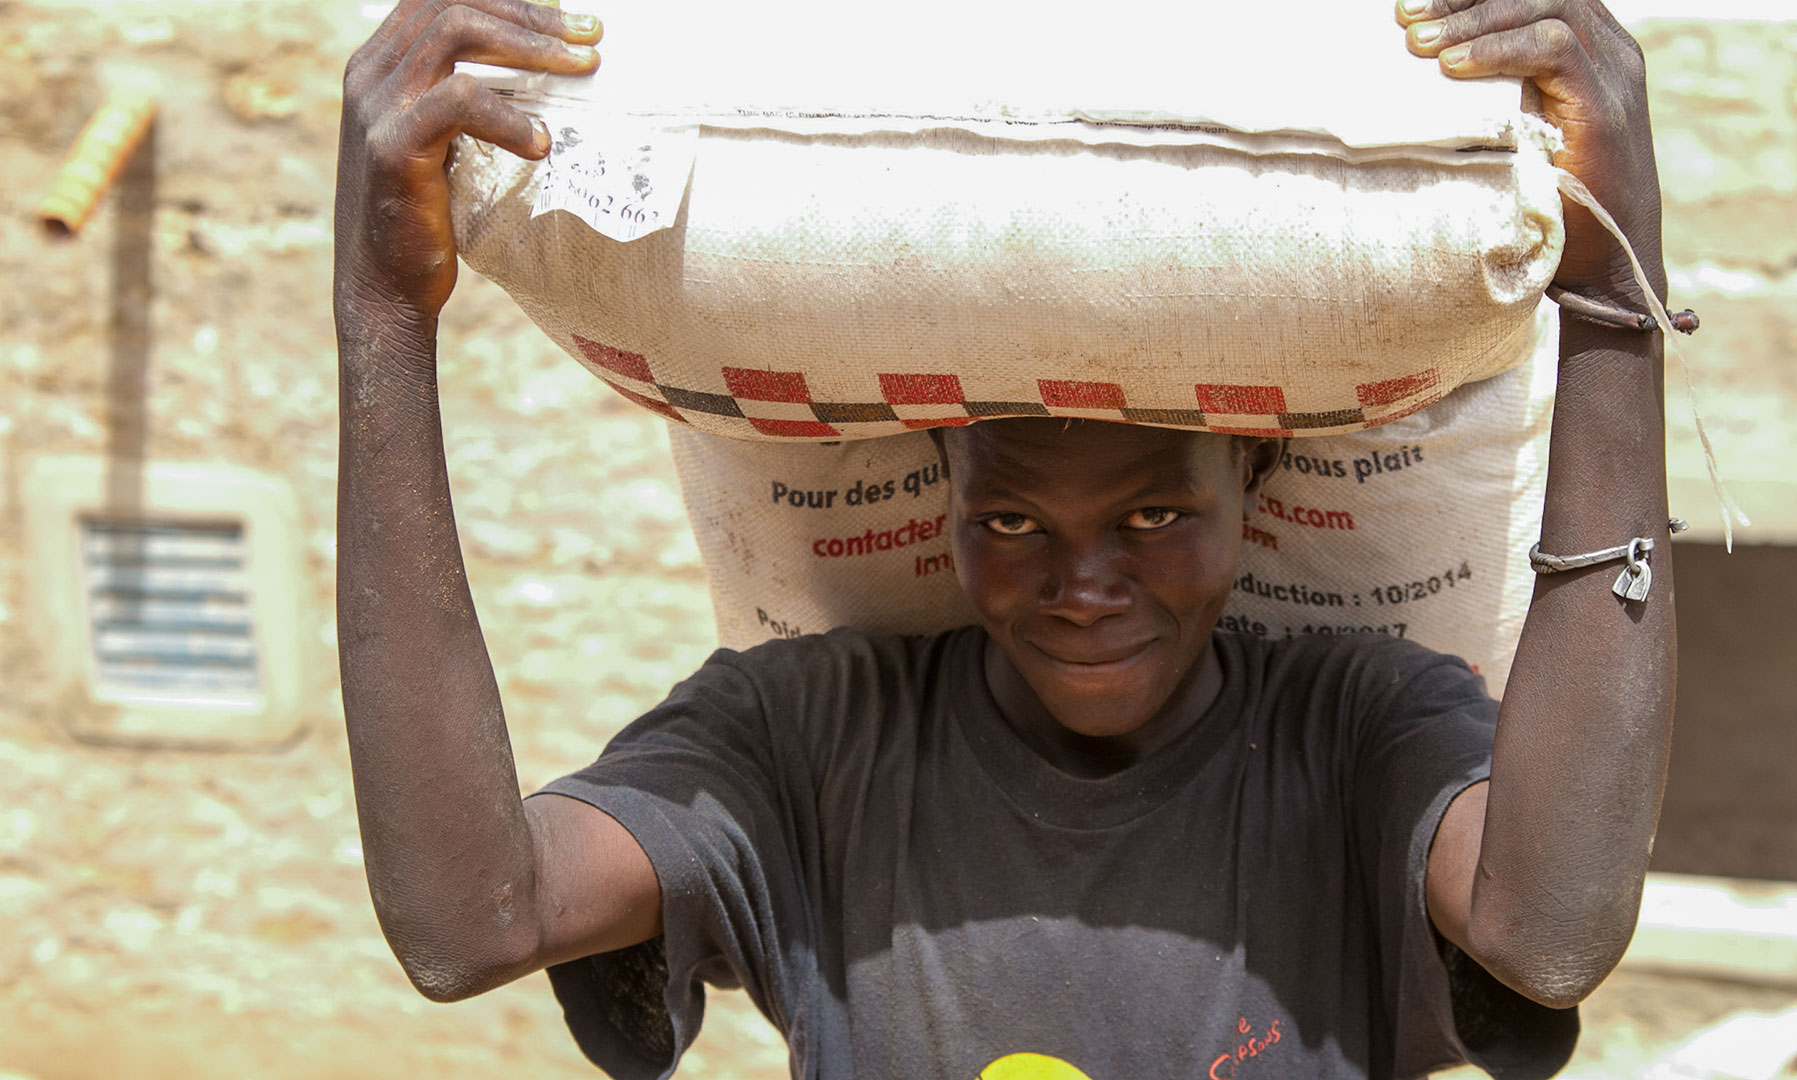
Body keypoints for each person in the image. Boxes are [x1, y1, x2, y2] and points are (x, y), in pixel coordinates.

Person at [332, 1, 1679, 1076]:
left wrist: (1615, 300)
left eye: (1155, 515)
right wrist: (383, 321)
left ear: (1252, 483)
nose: (1083, 586)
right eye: (1012, 520)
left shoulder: (1352, 736)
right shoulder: (808, 745)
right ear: (937, 490)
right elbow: (470, 927)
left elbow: (1547, 936)